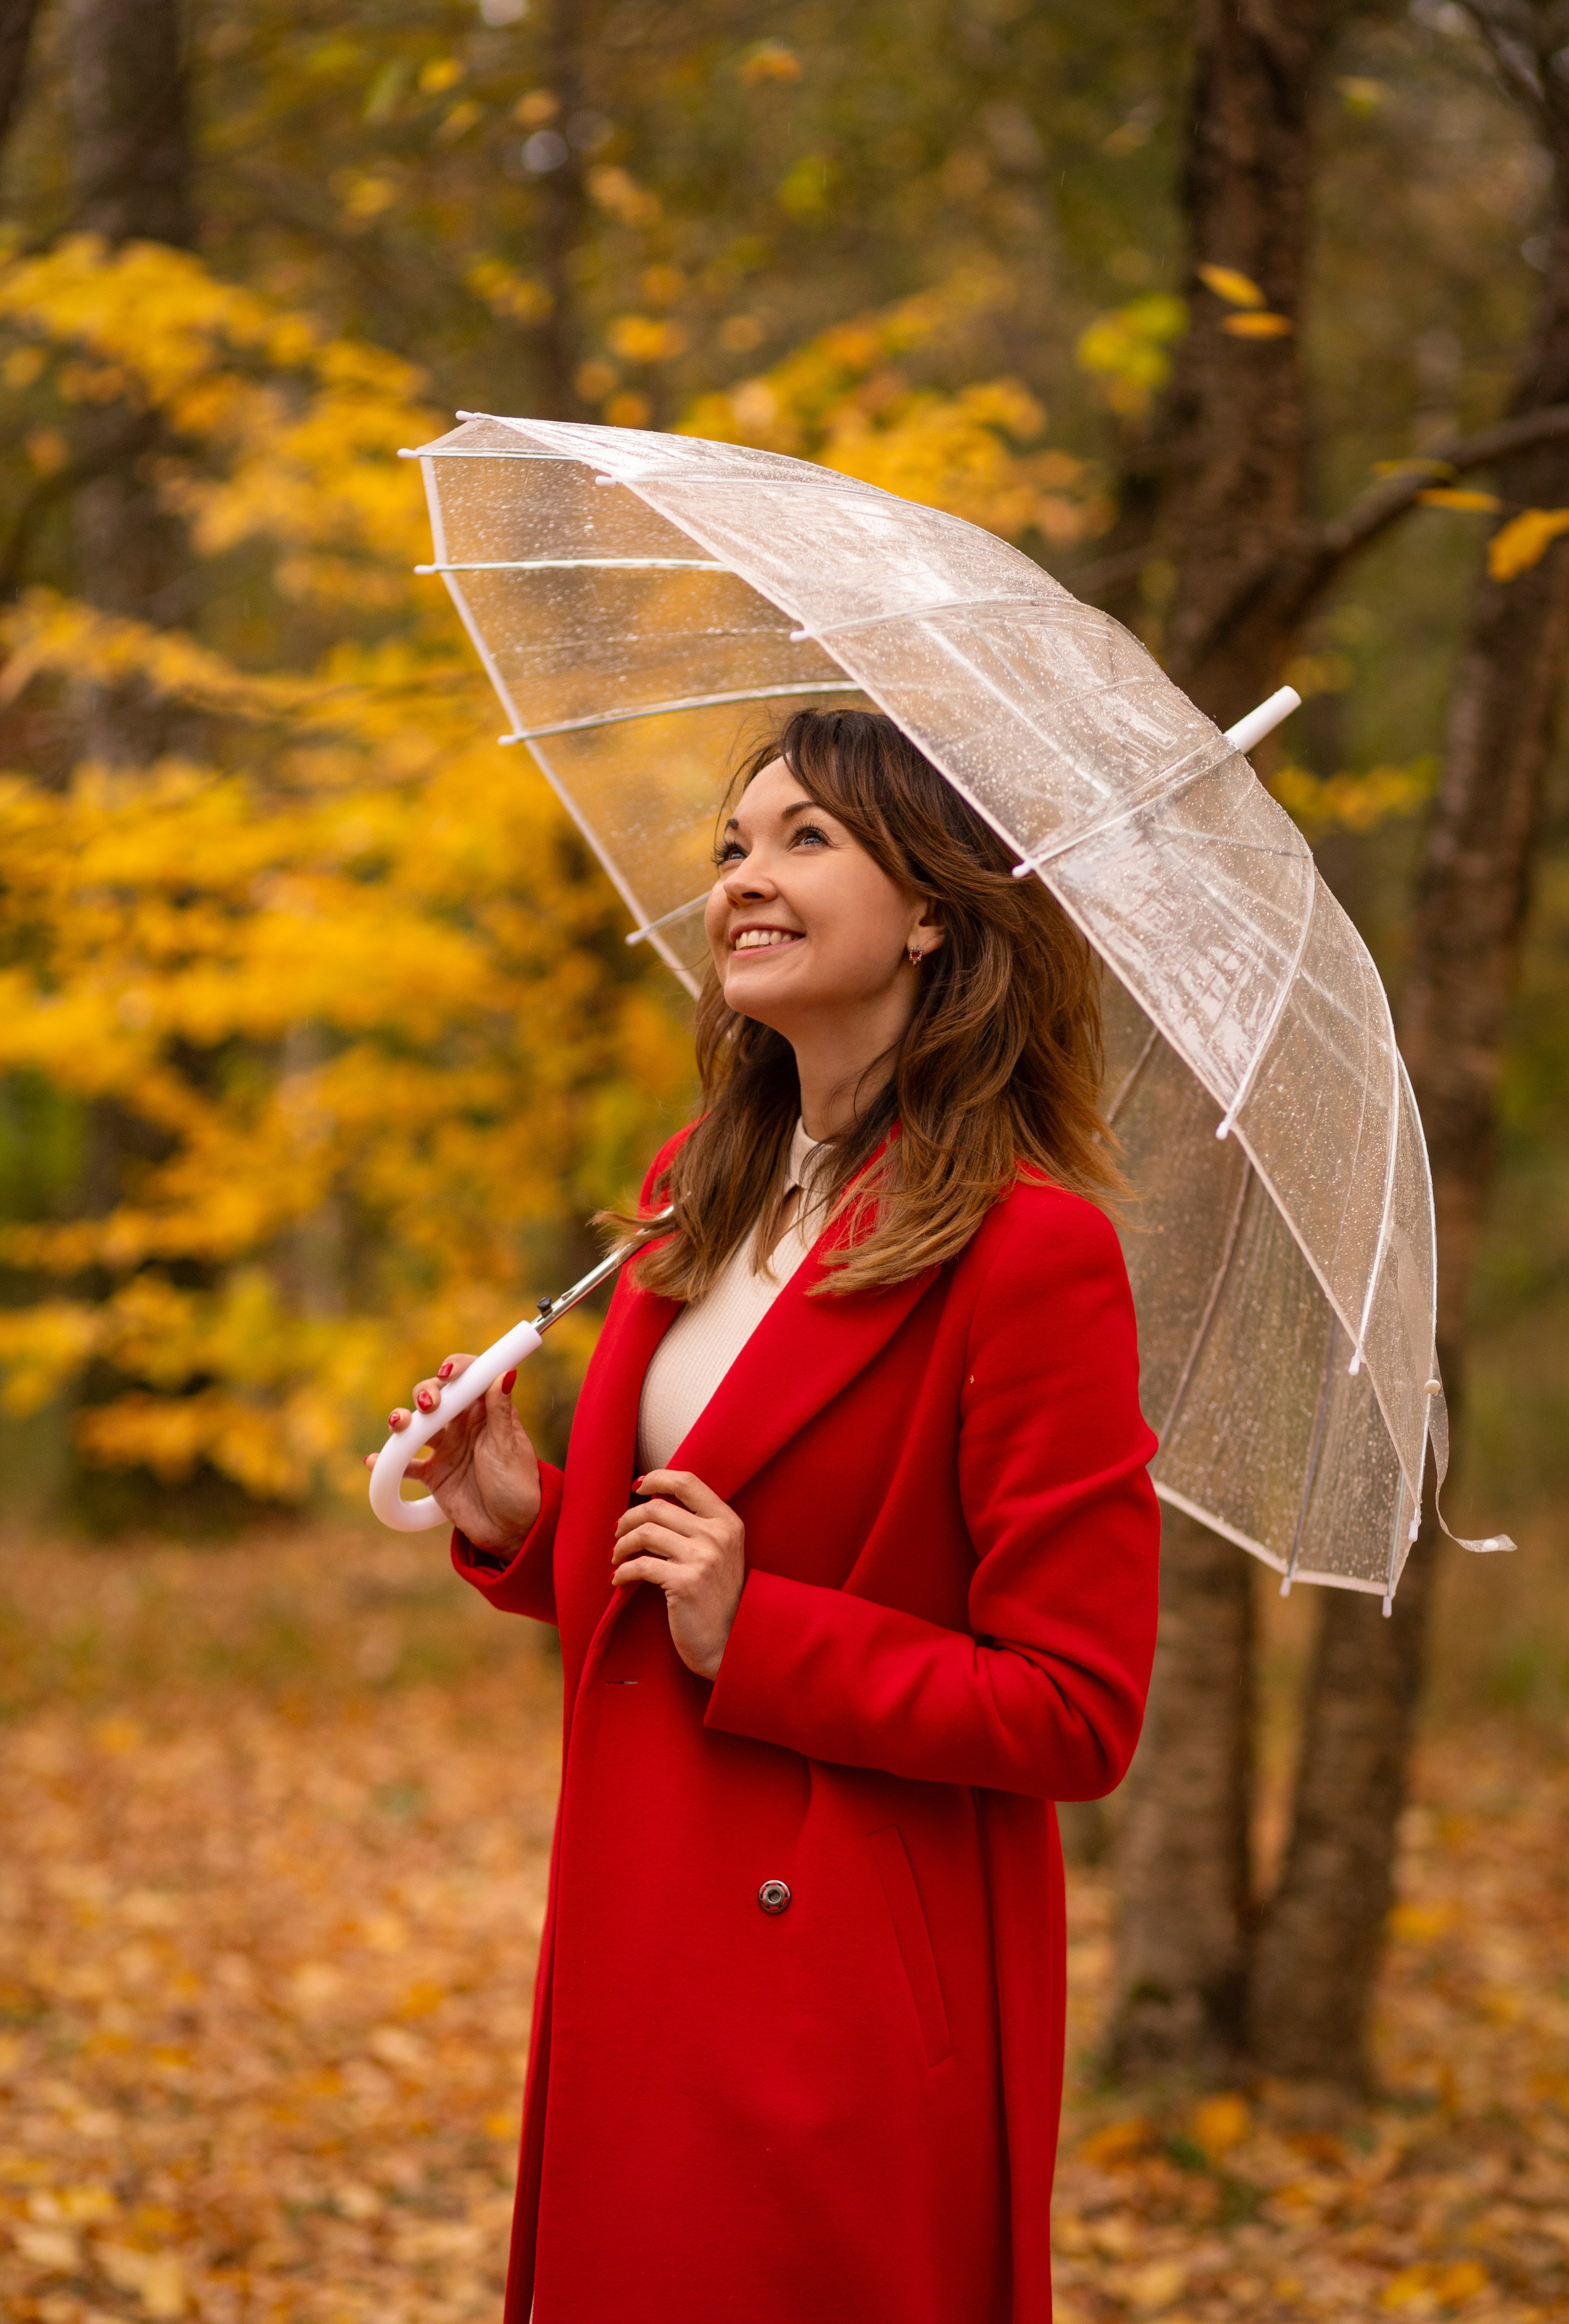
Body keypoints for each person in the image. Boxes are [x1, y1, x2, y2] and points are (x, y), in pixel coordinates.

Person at [373, 707, 1160, 2324]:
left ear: (933, 908)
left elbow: (1078, 1708)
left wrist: (765, 1633)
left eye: (807, 838)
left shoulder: (1028, 1254)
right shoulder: (699, 1188)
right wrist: (527, 1513)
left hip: (842, 1984)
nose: (745, 875)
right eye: (734, 843)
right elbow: (672, 1554)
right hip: (642, 1919)